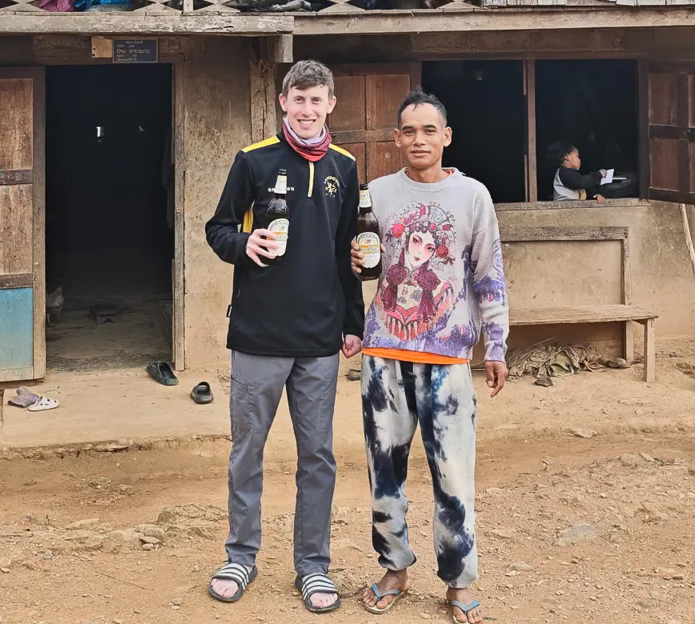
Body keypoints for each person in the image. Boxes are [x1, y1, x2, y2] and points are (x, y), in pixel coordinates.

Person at [204, 60, 364, 613]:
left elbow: (348, 252)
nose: (307, 109)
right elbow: (217, 228)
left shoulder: (345, 166)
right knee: (247, 450)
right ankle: (240, 555)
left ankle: (313, 567)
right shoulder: (254, 160)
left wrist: (352, 322)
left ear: (330, 105)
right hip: (258, 336)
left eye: (317, 100)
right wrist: (243, 243)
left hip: (319, 340)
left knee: (317, 455)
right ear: (282, 101)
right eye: (298, 99)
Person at [357, 90, 508, 624]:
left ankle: (458, 579)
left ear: (446, 136)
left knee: (453, 472)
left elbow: (488, 273)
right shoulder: (375, 193)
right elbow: (364, 269)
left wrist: (497, 342)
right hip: (383, 353)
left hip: (447, 359)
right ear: (396, 138)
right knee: (384, 469)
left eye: (428, 131)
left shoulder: (472, 197)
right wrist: (359, 269)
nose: (418, 140)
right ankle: (394, 566)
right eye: (408, 131)